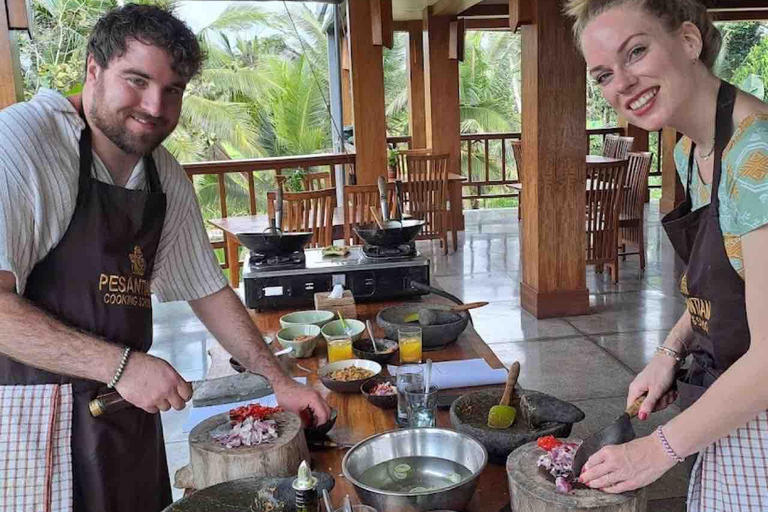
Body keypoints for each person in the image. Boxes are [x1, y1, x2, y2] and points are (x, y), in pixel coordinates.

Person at [0, 4, 330, 511]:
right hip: (33, 425)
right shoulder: (23, 143)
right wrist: (121, 365)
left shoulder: (161, 174)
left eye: (172, 90)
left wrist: (280, 382)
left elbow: (207, 289)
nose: (155, 106)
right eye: (136, 80)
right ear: (93, 69)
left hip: (125, 418)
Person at [565, 0, 768, 509]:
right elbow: (727, 288)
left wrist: (656, 451)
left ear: (689, 41)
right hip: (731, 397)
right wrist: (669, 352)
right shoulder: (692, 150)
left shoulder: (755, 157)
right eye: (604, 75)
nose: (623, 84)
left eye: (636, 51)